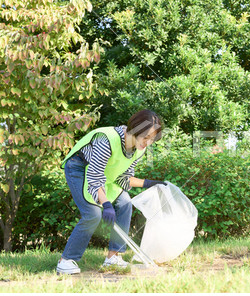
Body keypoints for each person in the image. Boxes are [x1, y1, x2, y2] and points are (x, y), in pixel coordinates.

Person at [56, 109, 167, 275]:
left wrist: (149, 183)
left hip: (103, 176)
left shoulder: (138, 148)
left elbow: (123, 178)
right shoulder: (107, 140)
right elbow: (94, 176)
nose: (148, 143)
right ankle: (65, 261)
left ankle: (113, 257)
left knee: (125, 203)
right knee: (93, 214)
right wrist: (106, 203)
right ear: (135, 130)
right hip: (79, 168)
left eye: (152, 139)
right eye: (146, 137)